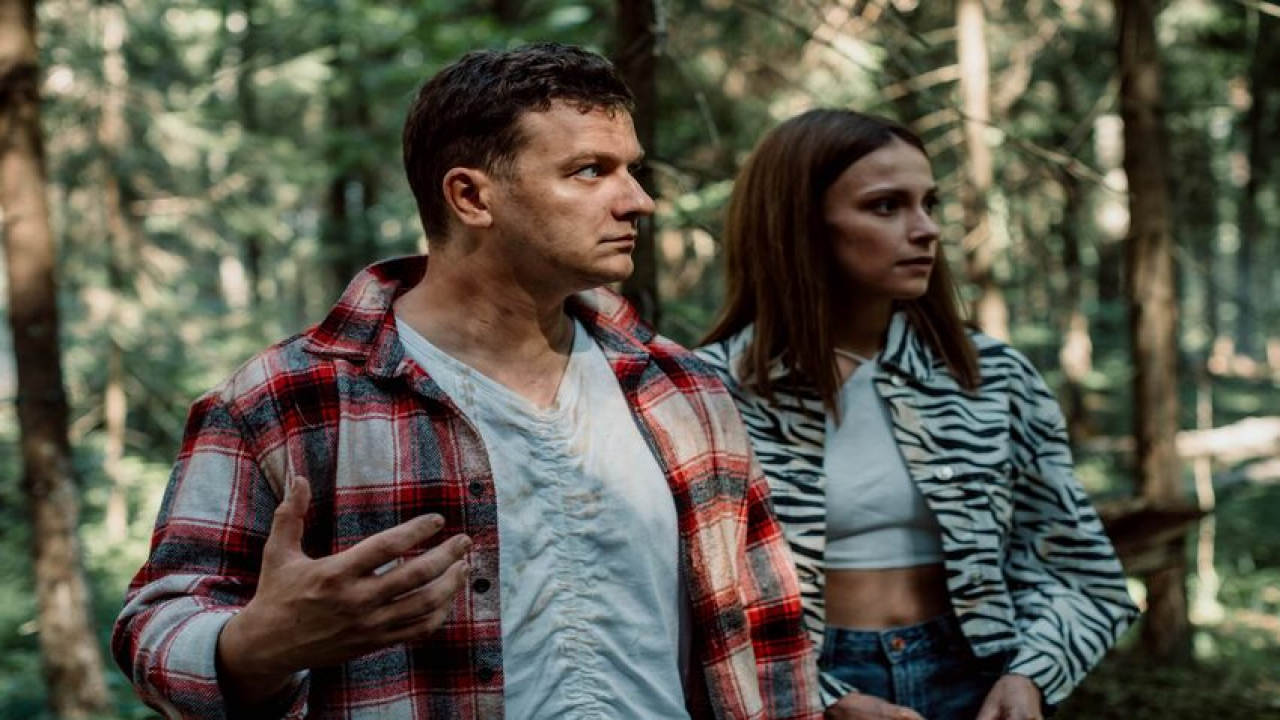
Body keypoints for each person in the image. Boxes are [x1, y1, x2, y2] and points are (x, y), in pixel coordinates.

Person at [113, 43, 821, 720]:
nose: (638, 200)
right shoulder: (286, 399)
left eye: (630, 170)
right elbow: (157, 627)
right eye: (589, 171)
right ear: (471, 197)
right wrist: (259, 646)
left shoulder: (683, 391)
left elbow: (768, 642)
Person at [697, 109, 1140, 720]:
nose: (927, 228)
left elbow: (1083, 572)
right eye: (886, 206)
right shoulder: (709, 393)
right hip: (805, 685)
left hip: (978, 675)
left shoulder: (991, 376)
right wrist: (824, 701)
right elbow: (690, 601)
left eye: (929, 203)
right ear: (800, 223)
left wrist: (1031, 676)